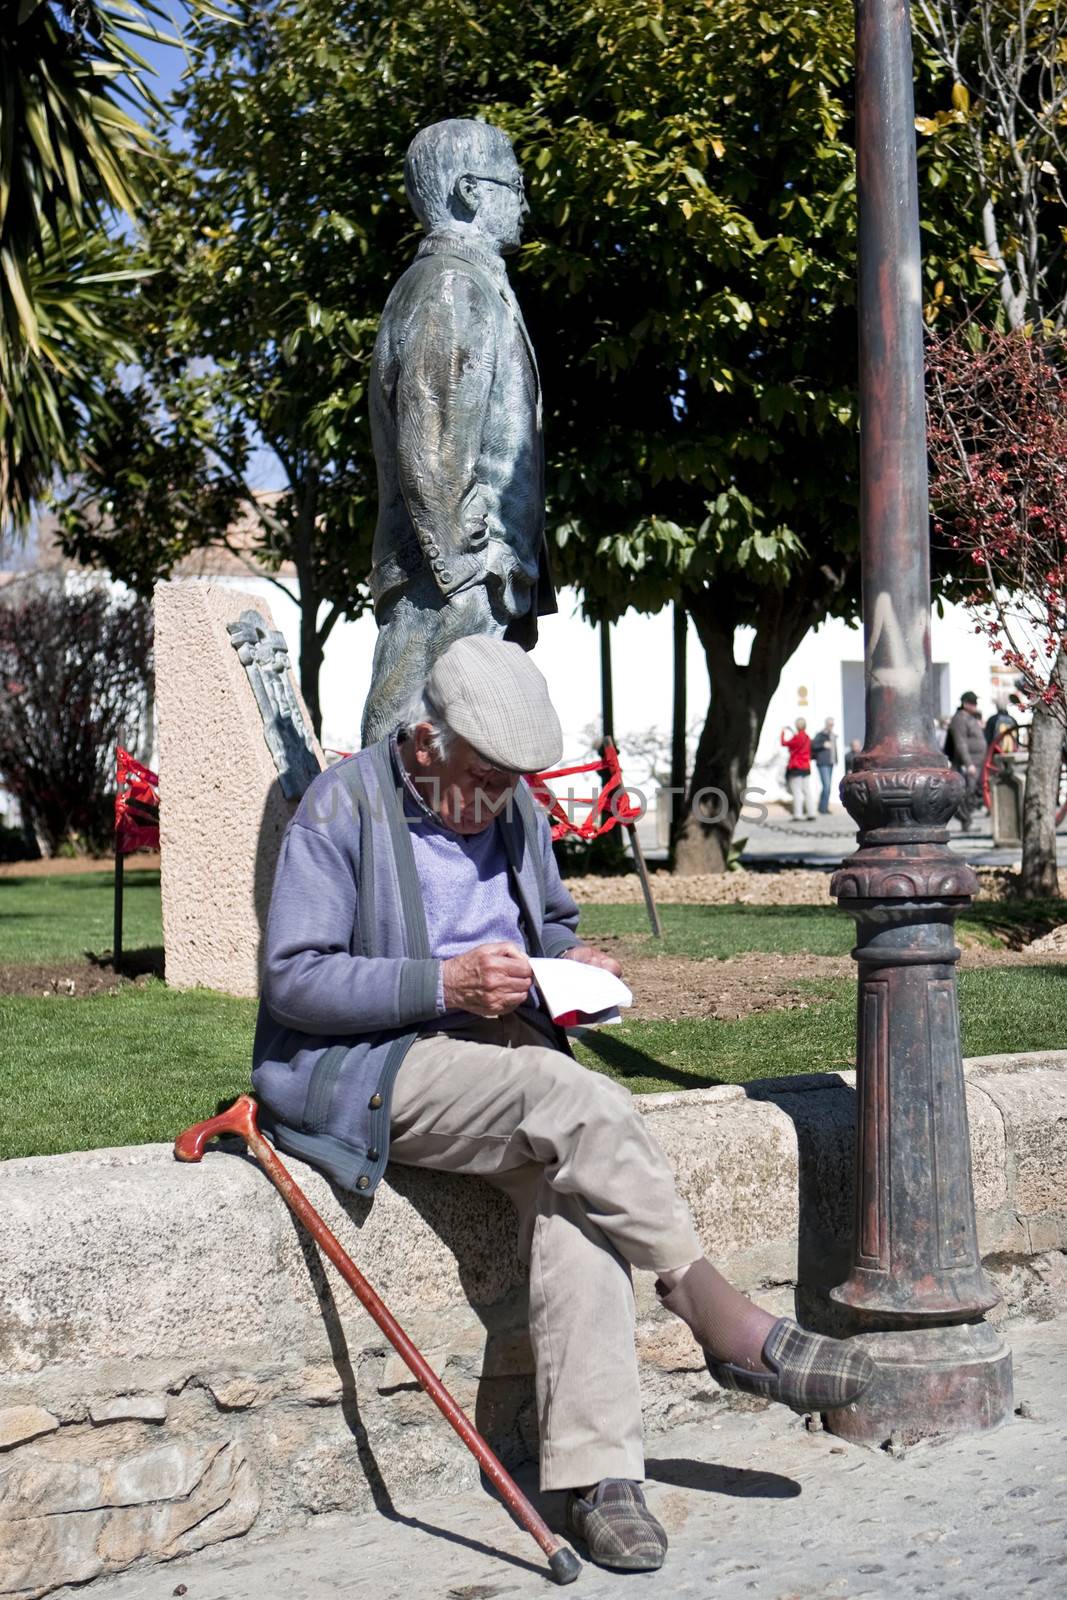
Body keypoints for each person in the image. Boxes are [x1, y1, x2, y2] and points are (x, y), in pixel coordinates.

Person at [253, 636, 876, 1574]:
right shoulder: (341, 810)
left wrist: (573, 969)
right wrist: (445, 983)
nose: (502, 799)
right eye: (487, 776)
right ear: (426, 742)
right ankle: (721, 1321)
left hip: (503, 1058)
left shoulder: (511, 812)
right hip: (379, 1063)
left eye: (514, 782)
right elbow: (293, 981)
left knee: (576, 1205)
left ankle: (595, 1480)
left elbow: (551, 928)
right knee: (572, 1095)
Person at [361, 118, 557, 746]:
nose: (525, 201)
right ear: (471, 191)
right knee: (412, 744)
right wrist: (473, 573)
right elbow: (434, 451)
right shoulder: (451, 283)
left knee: (458, 766)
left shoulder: (474, 284)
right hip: (453, 580)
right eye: (515, 184)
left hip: (475, 578)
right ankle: (367, 845)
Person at [945, 691, 987, 832]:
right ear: (965, 704)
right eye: (972, 703)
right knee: (969, 791)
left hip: (978, 761)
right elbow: (960, 742)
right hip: (968, 763)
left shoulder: (970, 717)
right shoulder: (960, 719)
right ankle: (964, 819)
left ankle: (966, 819)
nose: (975, 705)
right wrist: (968, 763)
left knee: (976, 791)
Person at [781, 718, 815, 820]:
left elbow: (784, 743)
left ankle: (798, 814)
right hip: (806, 767)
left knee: (796, 792)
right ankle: (811, 813)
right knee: (807, 791)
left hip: (796, 767)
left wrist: (782, 732)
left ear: (797, 726)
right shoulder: (808, 738)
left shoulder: (796, 737)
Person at [810, 716, 839, 814]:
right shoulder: (821, 734)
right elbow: (813, 745)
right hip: (822, 763)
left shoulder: (833, 735)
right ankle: (822, 808)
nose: (831, 726)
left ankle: (824, 807)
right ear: (826, 724)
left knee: (828, 786)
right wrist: (823, 745)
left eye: (832, 724)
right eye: (830, 724)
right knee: (826, 786)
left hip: (830, 763)